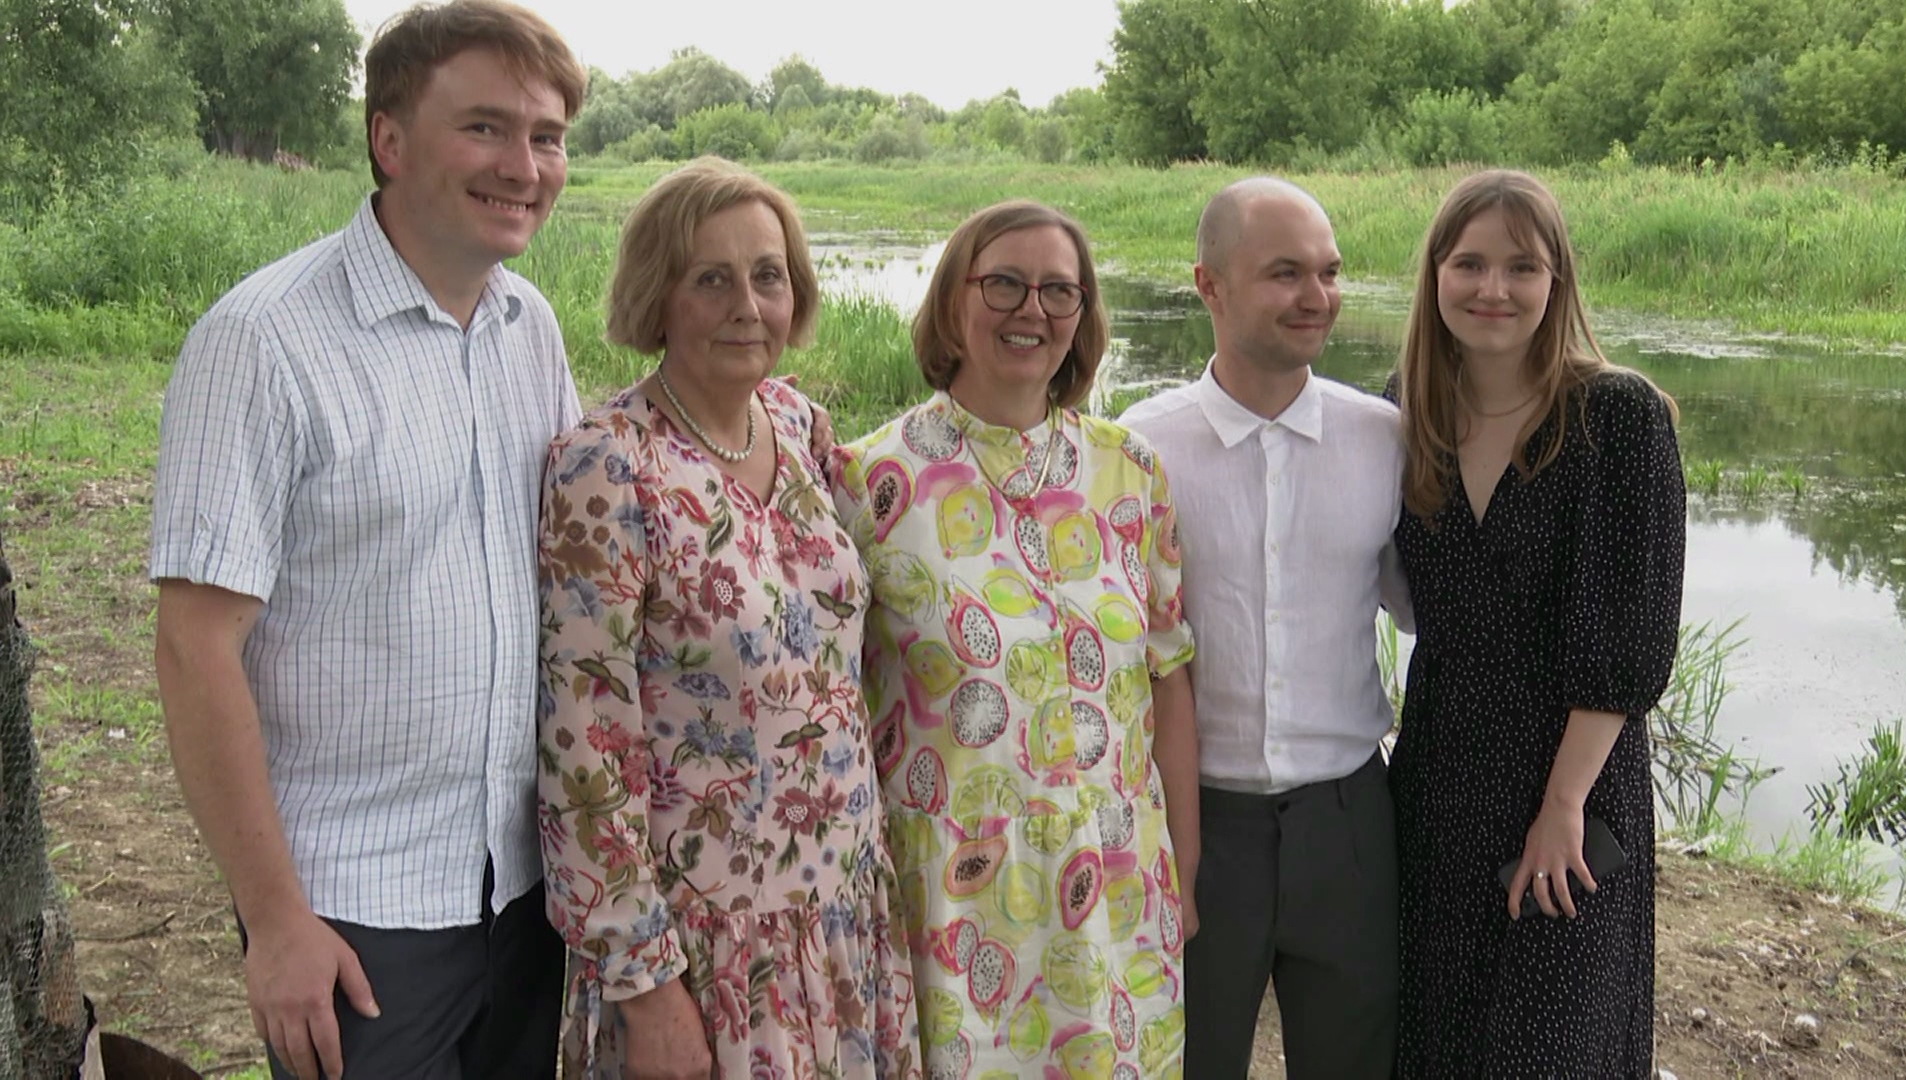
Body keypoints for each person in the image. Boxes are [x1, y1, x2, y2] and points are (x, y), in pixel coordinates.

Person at [148, 3, 585, 1077]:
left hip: (525, 889)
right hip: (355, 913)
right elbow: (195, 647)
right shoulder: (262, 341)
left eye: (547, 136)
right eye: (485, 127)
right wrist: (275, 922)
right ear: (389, 138)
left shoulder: (529, 327)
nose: (523, 166)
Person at [535, 157, 921, 1080]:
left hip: (842, 919)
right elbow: (584, 747)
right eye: (712, 278)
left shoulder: (800, 426)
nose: (747, 305)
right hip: (707, 953)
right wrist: (646, 985)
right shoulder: (607, 466)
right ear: (657, 296)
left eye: (767, 276)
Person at [830, 200, 1200, 1078]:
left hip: (1117, 880)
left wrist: (1183, 872)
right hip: (950, 898)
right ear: (952, 299)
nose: (1031, 309)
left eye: (1058, 290)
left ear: (1083, 314)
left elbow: (1168, 678)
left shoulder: (1131, 470)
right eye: (1004, 283)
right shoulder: (867, 480)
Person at [1388, 169, 1684, 1076]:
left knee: (1553, 1044)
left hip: (1574, 786)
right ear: (1436, 274)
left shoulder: (1618, 417)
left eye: (1523, 266)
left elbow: (1629, 645)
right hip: (1440, 776)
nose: (1494, 288)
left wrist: (1561, 809)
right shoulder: (1406, 412)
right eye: (1469, 263)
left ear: (1558, 280)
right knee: (1436, 1038)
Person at [1118, 178, 1408, 1078]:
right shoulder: (1137, 449)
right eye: (1286, 273)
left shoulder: (1388, 440)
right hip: (1194, 823)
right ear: (1208, 285)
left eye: (1330, 272)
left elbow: (1428, 612)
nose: (1316, 297)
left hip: (1349, 823)